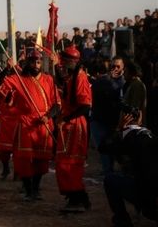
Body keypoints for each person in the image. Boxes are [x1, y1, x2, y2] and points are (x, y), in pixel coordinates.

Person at [0, 51, 60, 201]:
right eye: (33, 62)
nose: (36, 65)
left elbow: (56, 104)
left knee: (41, 159)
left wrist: (48, 116)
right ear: (28, 63)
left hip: (43, 123)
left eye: (38, 62)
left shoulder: (49, 79)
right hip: (25, 123)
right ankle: (28, 189)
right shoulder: (20, 79)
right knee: (23, 158)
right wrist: (8, 68)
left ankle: (36, 189)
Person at [100, 107, 158, 227]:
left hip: (147, 198)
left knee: (110, 180)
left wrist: (118, 128)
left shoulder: (126, 137)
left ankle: (122, 220)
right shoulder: (152, 135)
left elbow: (103, 147)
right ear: (140, 120)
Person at [55, 46, 92, 212]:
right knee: (63, 162)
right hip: (68, 125)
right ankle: (77, 197)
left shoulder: (81, 78)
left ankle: (77, 199)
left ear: (71, 61)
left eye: (64, 61)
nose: (62, 64)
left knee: (70, 164)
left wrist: (66, 119)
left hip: (75, 126)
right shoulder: (71, 77)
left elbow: (85, 106)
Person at [91, 56, 125, 174]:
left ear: (123, 68)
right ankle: (108, 172)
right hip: (99, 120)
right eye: (113, 66)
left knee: (115, 150)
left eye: (118, 66)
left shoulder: (124, 82)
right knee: (104, 149)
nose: (115, 69)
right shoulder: (102, 80)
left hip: (115, 122)